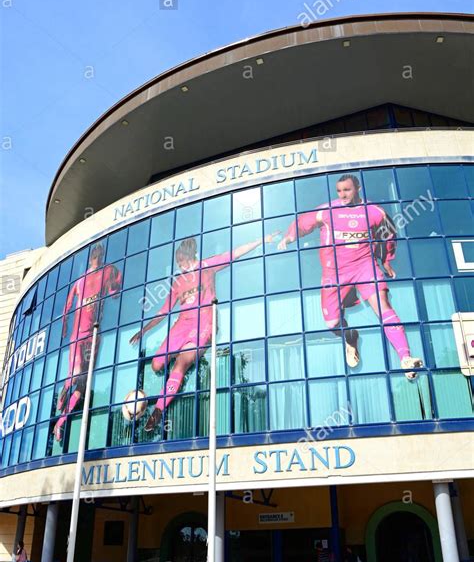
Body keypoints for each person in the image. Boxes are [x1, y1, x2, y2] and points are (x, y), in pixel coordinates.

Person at [278, 174, 423, 379]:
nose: (343, 195)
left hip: (365, 266)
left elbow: (388, 234)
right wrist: (290, 236)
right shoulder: (327, 211)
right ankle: (350, 337)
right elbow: (303, 223)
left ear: (358, 188)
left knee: (383, 306)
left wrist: (386, 261)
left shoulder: (374, 212)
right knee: (331, 322)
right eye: (339, 191)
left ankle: (405, 358)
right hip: (334, 273)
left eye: (347, 190)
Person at [131, 232, 278, 432]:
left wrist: (261, 240)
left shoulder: (207, 266)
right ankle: (177, 370)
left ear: (190, 256)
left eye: (181, 260)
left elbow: (233, 254)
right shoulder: (177, 283)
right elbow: (164, 311)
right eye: (177, 262)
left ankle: (158, 409)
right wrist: (144, 330)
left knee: (182, 364)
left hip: (203, 322)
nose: (179, 265)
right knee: (156, 365)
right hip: (182, 323)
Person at [54, 242, 122, 442]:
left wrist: (115, 288)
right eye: (96, 256)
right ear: (92, 257)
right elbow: (67, 306)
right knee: (75, 374)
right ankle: (65, 389)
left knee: (82, 385)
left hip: (94, 335)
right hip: (78, 334)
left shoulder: (108, 270)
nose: (98, 260)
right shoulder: (80, 280)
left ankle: (59, 424)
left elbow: (114, 291)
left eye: (100, 256)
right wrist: (65, 326)